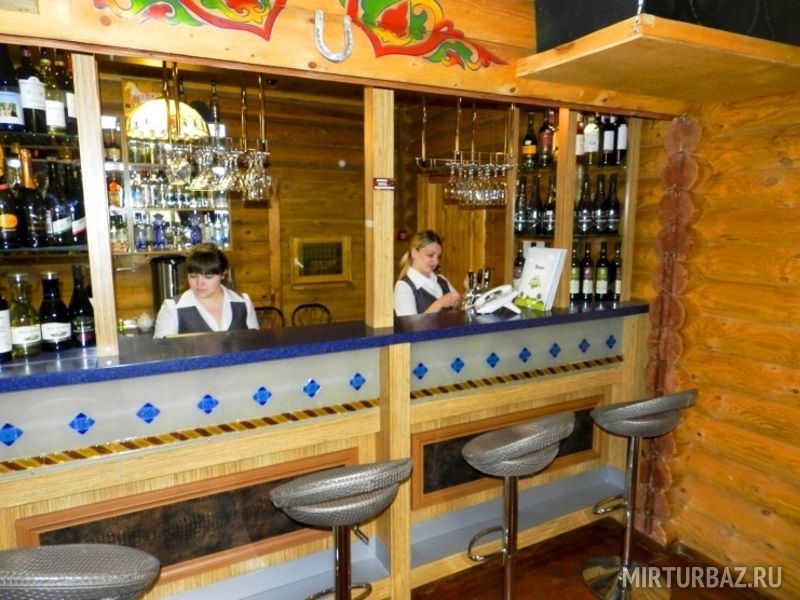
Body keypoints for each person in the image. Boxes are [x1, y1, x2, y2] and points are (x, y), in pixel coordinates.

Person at [153, 243, 259, 337]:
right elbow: (164, 351)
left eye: (208, 276)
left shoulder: (243, 302)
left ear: (223, 274)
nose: (199, 283)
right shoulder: (172, 308)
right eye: (193, 276)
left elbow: (255, 344)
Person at [394, 230, 461, 316]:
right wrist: (439, 304)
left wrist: (466, 291)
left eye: (438, 257)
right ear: (414, 253)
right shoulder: (403, 287)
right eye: (430, 255)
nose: (436, 262)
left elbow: (458, 310)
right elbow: (410, 323)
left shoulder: (441, 279)